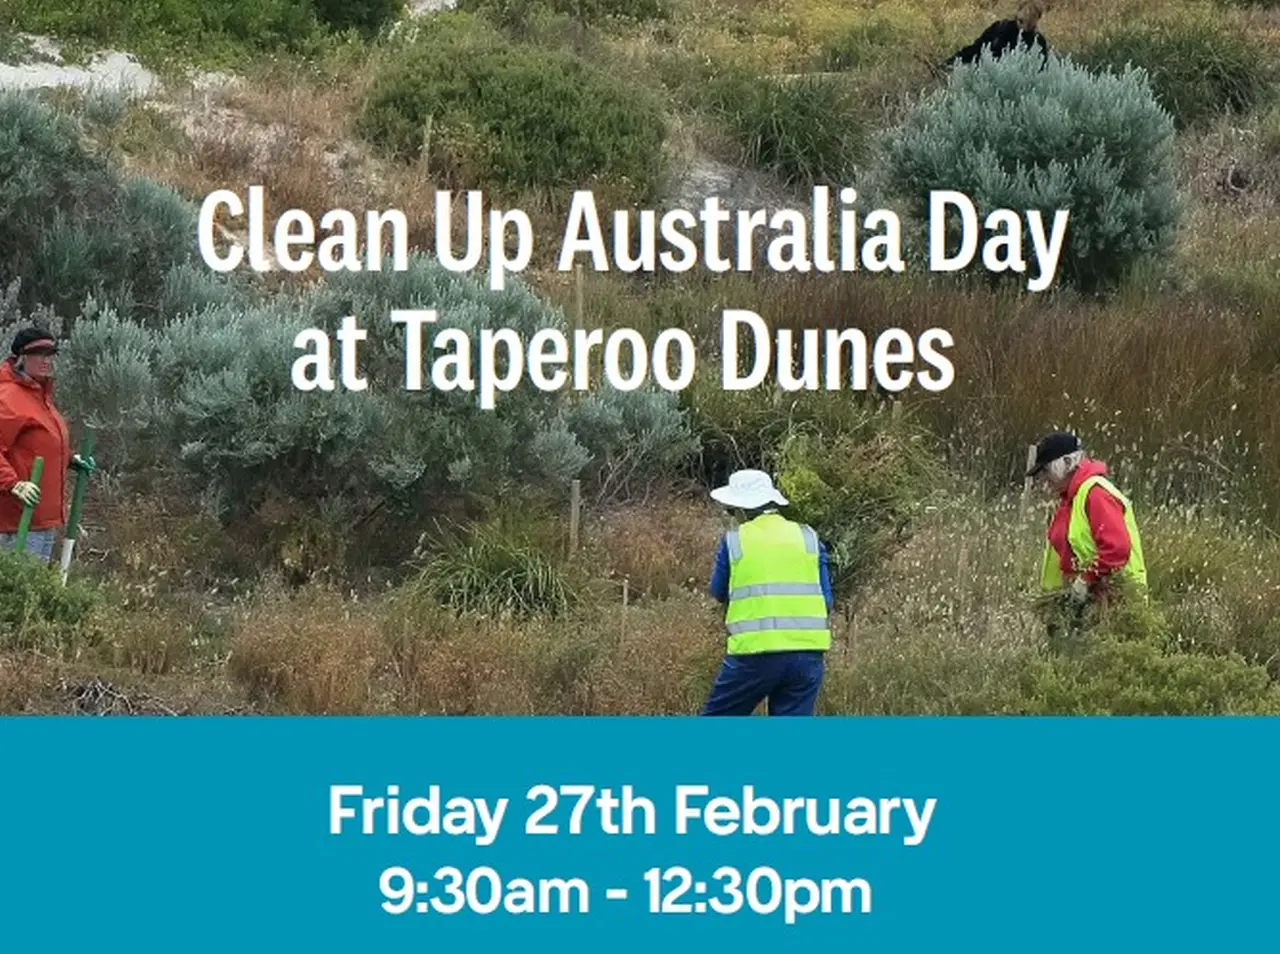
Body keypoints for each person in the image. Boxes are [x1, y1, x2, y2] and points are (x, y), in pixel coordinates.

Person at [701, 469, 833, 716]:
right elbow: (827, 599)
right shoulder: (809, 537)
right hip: (807, 656)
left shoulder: (735, 540)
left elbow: (718, 591)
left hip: (754, 654)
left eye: (731, 509)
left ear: (742, 509)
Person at [1026, 431, 1148, 624]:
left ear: (1066, 463)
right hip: (1085, 604)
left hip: (1114, 603)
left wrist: (1085, 580)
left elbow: (1116, 550)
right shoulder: (1070, 498)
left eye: (1046, 470)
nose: (1044, 479)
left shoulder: (1095, 493)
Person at [0, 327, 95, 564]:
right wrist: (13, 484)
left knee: (34, 589)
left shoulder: (39, 395)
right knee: (18, 593)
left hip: (42, 517)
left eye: (50, 353)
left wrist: (70, 459)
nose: (46, 360)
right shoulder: (8, 396)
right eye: (38, 353)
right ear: (21, 357)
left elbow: (38, 444)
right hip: (17, 520)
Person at [941, 0, 1052, 70]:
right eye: (1021, 21)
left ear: (1037, 20)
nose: (1024, 27)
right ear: (1017, 13)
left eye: (1029, 24)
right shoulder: (1000, 28)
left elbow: (1042, 72)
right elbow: (977, 49)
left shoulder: (1038, 43)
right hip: (987, 84)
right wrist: (952, 62)